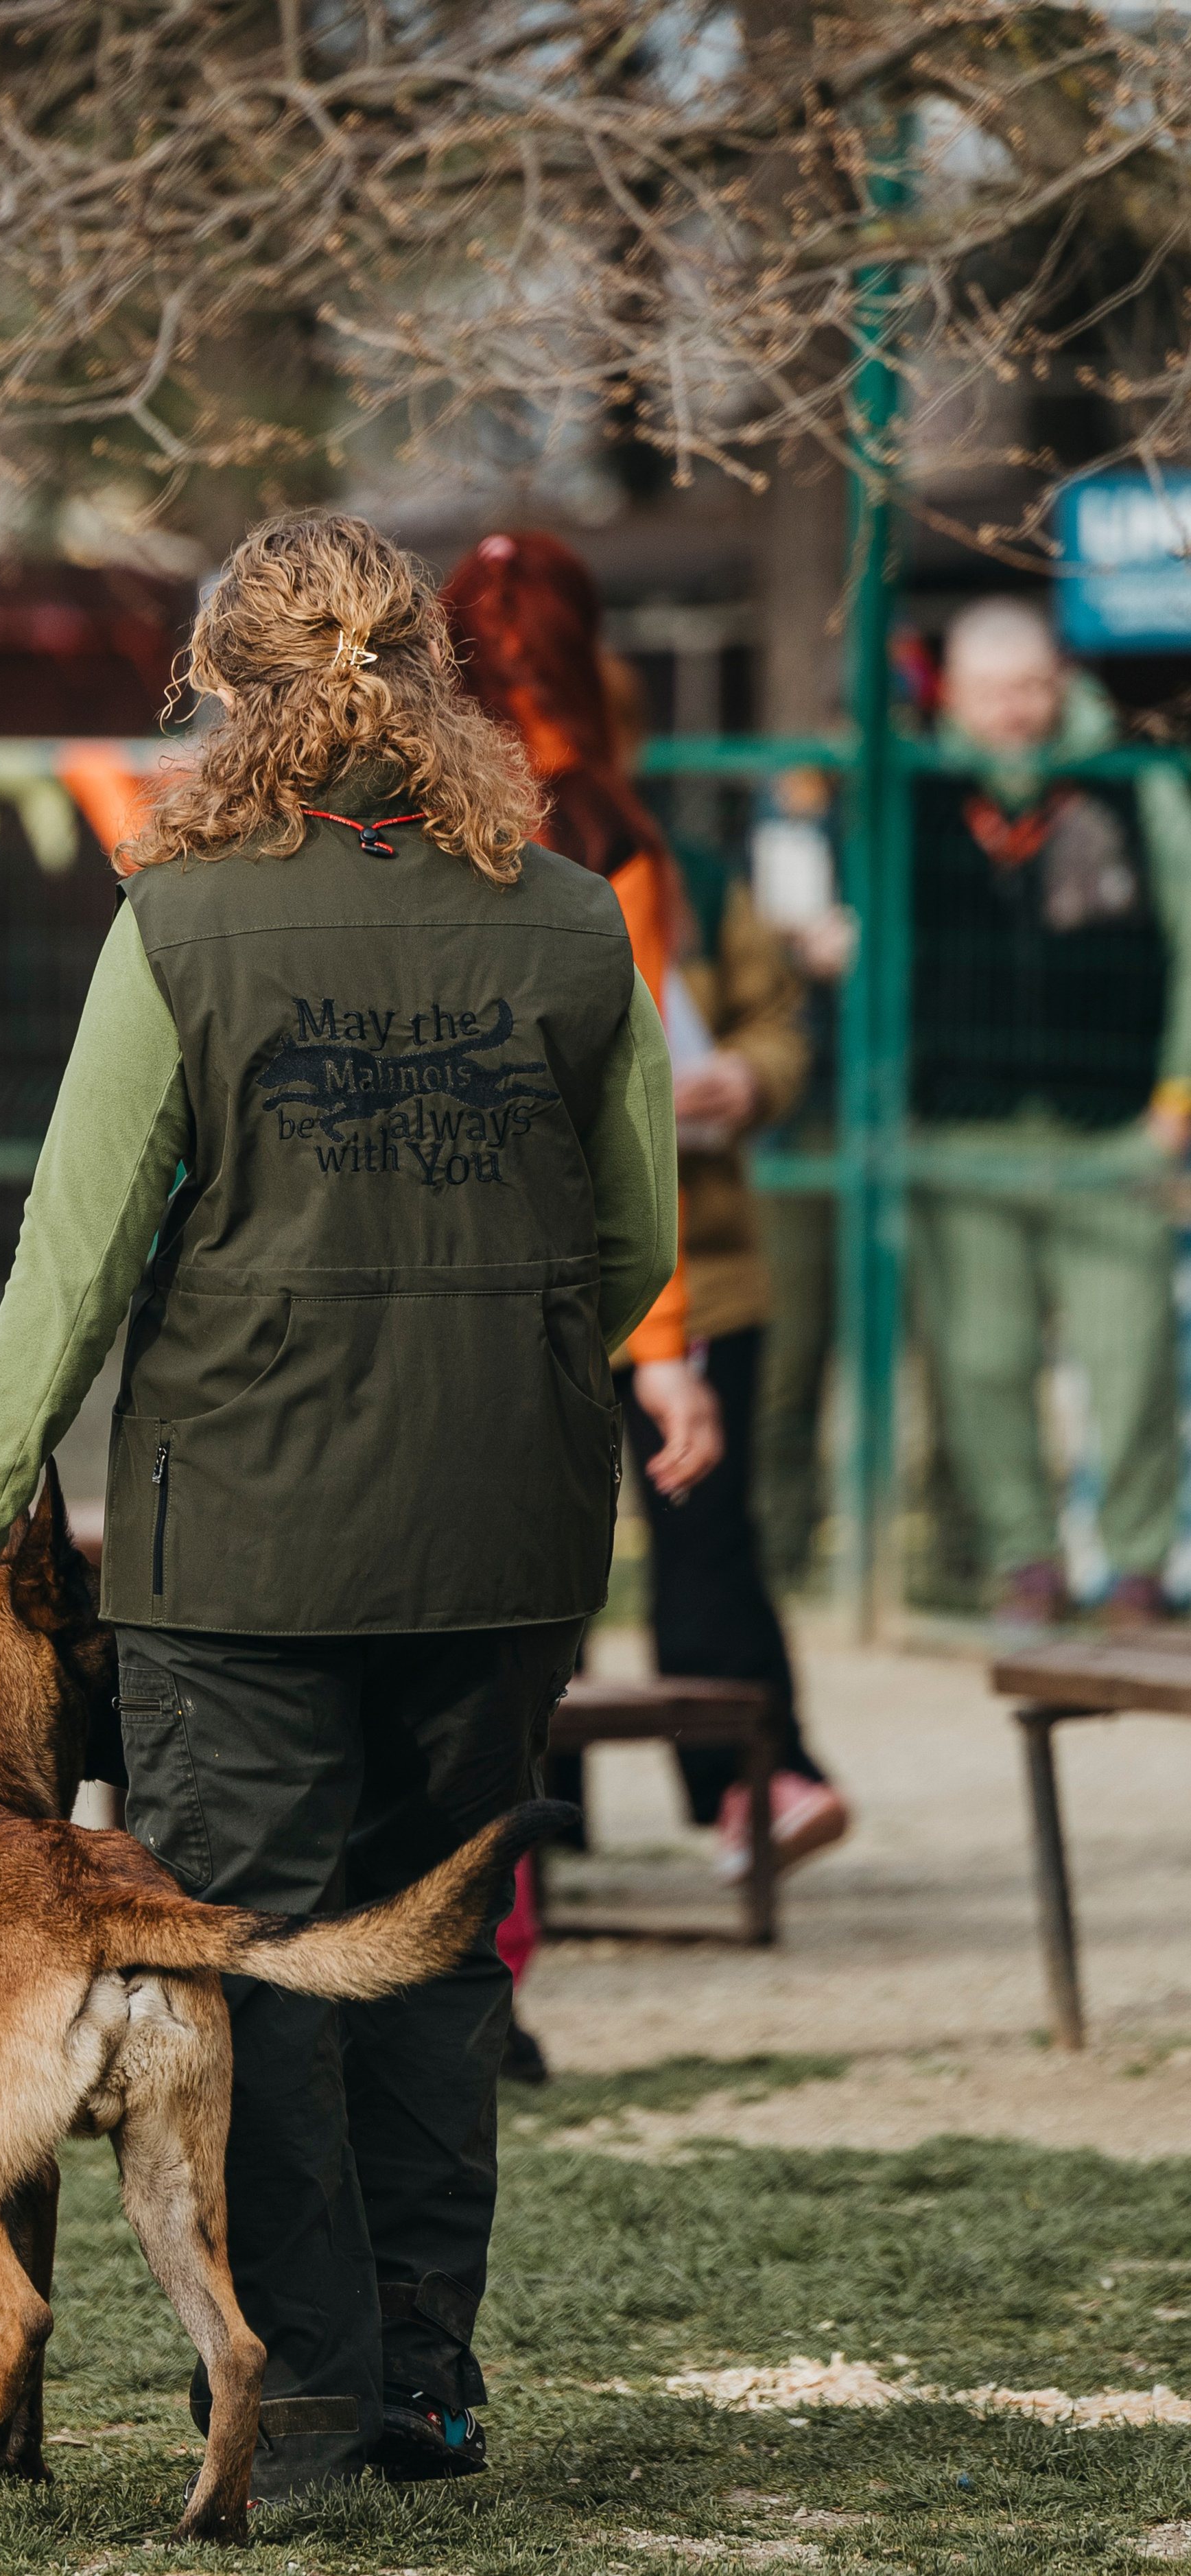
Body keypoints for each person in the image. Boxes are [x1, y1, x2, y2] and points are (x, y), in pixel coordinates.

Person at [0, 511, 679, 2500]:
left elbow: (70, 1256)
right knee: (439, 1945)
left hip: (243, 1536)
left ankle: (313, 2404)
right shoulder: (579, 915)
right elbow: (639, 1236)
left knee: (257, 1950)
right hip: (507, 1527)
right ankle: (430, 2386)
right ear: (432, 683)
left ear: (224, 693)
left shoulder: (174, 919)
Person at [445, 532, 849, 1887]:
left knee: (704, 1532)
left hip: (698, 1252)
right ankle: (527, 1831)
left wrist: (746, 1079)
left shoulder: (661, 861)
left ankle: (754, 1779)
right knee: (530, 1555)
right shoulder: (482, 867)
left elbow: (766, 1029)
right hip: (539, 1268)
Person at [911, 598, 1191, 1626]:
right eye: (993, 693)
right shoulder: (918, 791)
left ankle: (1136, 1568)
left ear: (1061, 681)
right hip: (964, 1127)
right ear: (957, 696)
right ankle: (1023, 1559)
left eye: (1033, 686)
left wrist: (1178, 1098)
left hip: (1115, 1126)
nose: (1016, 711)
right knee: (983, 1358)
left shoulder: (1136, 784)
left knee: (1132, 1364)